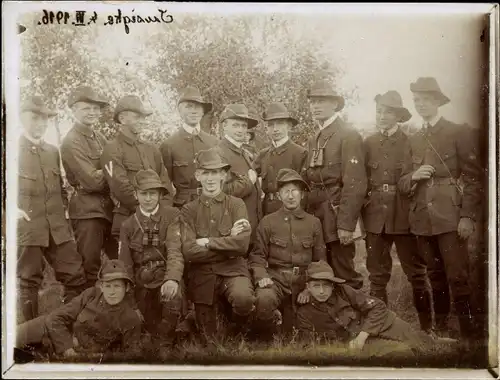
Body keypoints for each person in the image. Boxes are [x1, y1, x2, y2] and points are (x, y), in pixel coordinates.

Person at [398, 77, 482, 345]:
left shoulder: (458, 132)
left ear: (437, 101)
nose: (421, 104)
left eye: (425, 99)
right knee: (434, 276)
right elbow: (401, 182)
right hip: (421, 217)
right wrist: (414, 175)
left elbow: (473, 178)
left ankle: (469, 333)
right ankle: (442, 330)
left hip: (450, 215)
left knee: (457, 275)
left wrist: (467, 216)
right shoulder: (413, 137)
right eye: (417, 100)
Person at [362, 90, 433, 334]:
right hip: (375, 218)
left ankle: (427, 329)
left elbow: (414, 179)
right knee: (377, 276)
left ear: (398, 116)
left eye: (388, 112)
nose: (382, 116)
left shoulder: (411, 142)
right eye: (379, 111)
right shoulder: (368, 143)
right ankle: (379, 328)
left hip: (404, 216)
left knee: (416, 274)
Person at [16, 96, 86, 323]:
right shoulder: (12, 149)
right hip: (30, 226)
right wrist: (12, 210)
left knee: (75, 275)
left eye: (44, 119)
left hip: (57, 226)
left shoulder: (51, 151)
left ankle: (63, 325)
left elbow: (59, 187)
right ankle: (30, 336)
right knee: (29, 281)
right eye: (35, 118)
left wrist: (64, 211)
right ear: (22, 118)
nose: (40, 124)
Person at [180, 148, 255, 340]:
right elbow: (189, 251)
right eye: (206, 173)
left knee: (243, 299)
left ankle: (237, 331)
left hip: (233, 270)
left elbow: (241, 246)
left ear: (223, 175)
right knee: (209, 338)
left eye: (215, 173)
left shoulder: (236, 204)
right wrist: (227, 243)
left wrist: (207, 242)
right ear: (198, 175)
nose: (210, 178)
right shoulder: (189, 210)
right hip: (203, 274)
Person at [296, 261, 439, 358]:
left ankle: (444, 342)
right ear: (308, 287)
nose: (322, 291)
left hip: (378, 325)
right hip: (357, 344)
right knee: (403, 353)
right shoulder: (304, 313)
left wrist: (363, 335)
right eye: (316, 286)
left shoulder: (343, 291)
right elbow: (308, 347)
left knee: (422, 343)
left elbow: (378, 306)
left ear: (333, 286)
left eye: (326, 286)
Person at [303, 81, 367, 289]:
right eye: (313, 102)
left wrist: (346, 225)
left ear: (335, 105)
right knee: (322, 268)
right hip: (317, 211)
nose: (315, 106)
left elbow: (355, 183)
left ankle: (356, 316)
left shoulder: (348, 134)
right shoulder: (315, 138)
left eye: (321, 101)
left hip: (336, 210)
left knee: (343, 269)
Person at [249, 168, 326, 339]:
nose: (290, 196)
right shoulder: (268, 222)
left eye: (294, 191)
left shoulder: (313, 223)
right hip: (276, 280)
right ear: (278, 196)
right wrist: (261, 277)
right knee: (264, 299)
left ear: (302, 195)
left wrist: (309, 287)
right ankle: (267, 340)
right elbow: (257, 256)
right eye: (286, 192)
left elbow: (320, 261)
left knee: (305, 329)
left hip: (303, 281)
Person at [16, 259, 142, 358]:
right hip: (51, 328)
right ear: (101, 287)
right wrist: (67, 349)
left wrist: (97, 356)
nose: (112, 292)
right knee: (12, 338)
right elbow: (55, 318)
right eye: (108, 286)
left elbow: (130, 355)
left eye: (117, 286)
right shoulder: (90, 295)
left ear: (127, 288)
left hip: (81, 350)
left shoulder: (131, 319)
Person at [119, 169, 184, 350]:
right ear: (136, 194)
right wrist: (130, 299)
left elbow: (174, 251)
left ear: (160, 195)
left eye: (153, 193)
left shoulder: (172, 215)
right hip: (141, 281)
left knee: (172, 297)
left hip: (165, 274)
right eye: (144, 193)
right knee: (140, 318)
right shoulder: (128, 225)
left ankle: (166, 342)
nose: (148, 198)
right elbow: (125, 264)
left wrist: (172, 278)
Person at [61, 86, 117, 291]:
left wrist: (112, 169)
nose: (92, 113)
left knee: (120, 260)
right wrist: (112, 170)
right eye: (86, 109)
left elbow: (114, 163)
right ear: (74, 110)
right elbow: (93, 182)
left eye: (96, 109)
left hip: (108, 210)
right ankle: (85, 314)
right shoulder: (71, 141)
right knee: (89, 268)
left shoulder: (100, 137)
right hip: (87, 212)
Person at [101, 95, 174, 242]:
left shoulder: (151, 149)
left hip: (158, 220)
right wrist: (148, 211)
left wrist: (162, 212)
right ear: (122, 118)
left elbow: (165, 184)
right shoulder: (112, 149)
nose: (142, 121)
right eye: (137, 117)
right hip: (129, 218)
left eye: (143, 118)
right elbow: (120, 187)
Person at [160, 86, 218, 209]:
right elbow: (165, 185)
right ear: (180, 112)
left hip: (212, 205)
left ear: (203, 112)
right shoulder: (169, 145)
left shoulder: (214, 143)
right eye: (189, 107)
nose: (194, 111)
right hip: (183, 207)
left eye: (197, 107)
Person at [217, 103, 263, 241]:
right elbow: (222, 191)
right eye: (235, 125)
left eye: (243, 126)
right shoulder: (219, 153)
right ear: (224, 126)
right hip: (235, 227)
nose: (240, 130)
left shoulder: (244, 152)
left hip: (251, 225)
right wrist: (249, 182)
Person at [253, 102, 308, 216]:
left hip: (291, 212)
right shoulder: (263, 155)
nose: (275, 129)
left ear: (288, 126)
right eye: (271, 125)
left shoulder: (300, 153)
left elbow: (305, 192)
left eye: (280, 124)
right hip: (267, 212)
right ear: (266, 128)